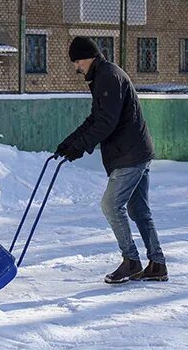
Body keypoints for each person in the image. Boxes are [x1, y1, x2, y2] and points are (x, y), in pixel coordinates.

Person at [55, 37, 168, 284]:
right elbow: (96, 118)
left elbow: (107, 122)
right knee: (138, 210)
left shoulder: (107, 76)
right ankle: (157, 264)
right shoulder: (103, 76)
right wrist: (69, 143)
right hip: (135, 151)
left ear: (86, 57)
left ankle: (131, 261)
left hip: (129, 154)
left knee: (110, 205)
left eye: (77, 62)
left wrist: (80, 148)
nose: (76, 68)